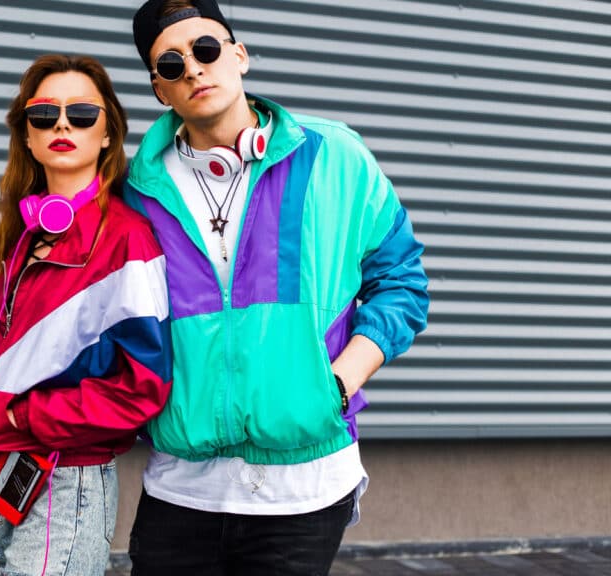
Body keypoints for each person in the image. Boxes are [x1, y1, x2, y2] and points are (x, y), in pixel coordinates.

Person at [123, 1, 430, 574]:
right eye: (170, 63)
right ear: (159, 89)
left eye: (206, 48)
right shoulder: (138, 192)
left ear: (239, 55)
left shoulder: (334, 156)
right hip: (180, 490)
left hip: (305, 491)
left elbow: (401, 281)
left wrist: (339, 383)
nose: (193, 68)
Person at [0, 54, 173, 576]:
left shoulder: (126, 239)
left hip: (64, 480)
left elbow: (143, 387)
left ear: (107, 134)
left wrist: (21, 418)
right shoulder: (22, 237)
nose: (62, 125)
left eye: (82, 114)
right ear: (27, 134)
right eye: (44, 114)